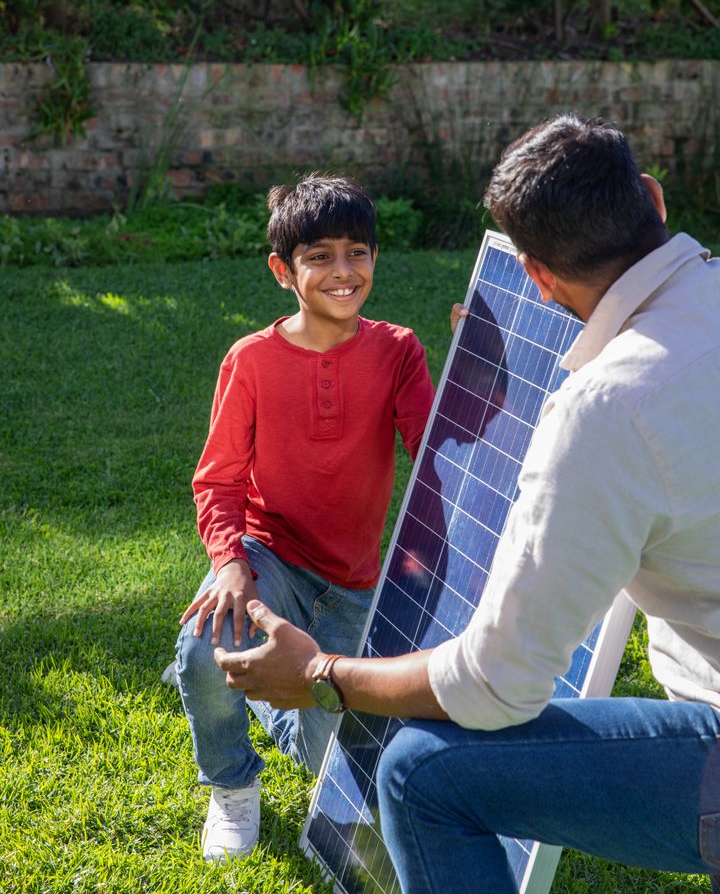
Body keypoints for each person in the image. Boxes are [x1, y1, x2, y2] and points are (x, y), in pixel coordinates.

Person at [215, 114, 720, 893]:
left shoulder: (605, 414)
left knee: (421, 770)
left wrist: (321, 671)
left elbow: (495, 685)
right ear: (652, 199)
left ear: (537, 278)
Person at [175, 173, 435, 863]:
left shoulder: (399, 350)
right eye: (320, 256)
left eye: (358, 253)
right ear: (282, 270)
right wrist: (230, 563)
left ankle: (267, 696)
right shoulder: (251, 361)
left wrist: (481, 380)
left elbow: (438, 450)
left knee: (335, 758)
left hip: (354, 583)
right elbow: (219, 478)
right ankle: (231, 783)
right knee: (204, 646)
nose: (343, 272)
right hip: (270, 556)